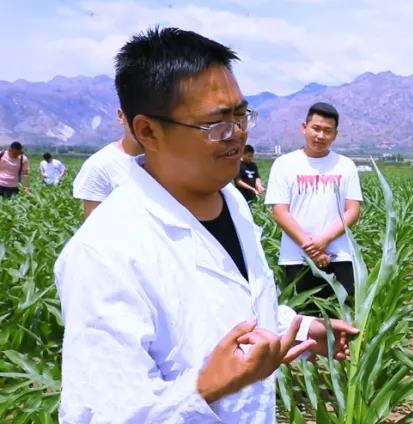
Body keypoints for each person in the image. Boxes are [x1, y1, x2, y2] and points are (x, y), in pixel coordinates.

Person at [54, 27, 358, 423]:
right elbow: (98, 413)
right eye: (217, 124)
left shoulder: (231, 201)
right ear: (148, 131)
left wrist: (299, 328)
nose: (237, 135)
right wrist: (208, 387)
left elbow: (228, 309)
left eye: (240, 115)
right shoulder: (104, 253)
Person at [265, 102, 363, 310]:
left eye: (327, 131)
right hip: (296, 258)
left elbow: (353, 211)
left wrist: (324, 240)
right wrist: (312, 248)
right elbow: (280, 212)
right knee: (301, 321)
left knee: (343, 318)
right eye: (316, 128)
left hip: (340, 256)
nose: (320, 135)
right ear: (304, 127)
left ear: (335, 135)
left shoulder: (346, 166)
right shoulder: (284, 164)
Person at [73, 108, 144, 218]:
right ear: (121, 116)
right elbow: (95, 223)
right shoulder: (100, 165)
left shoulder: (169, 161)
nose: (145, 124)